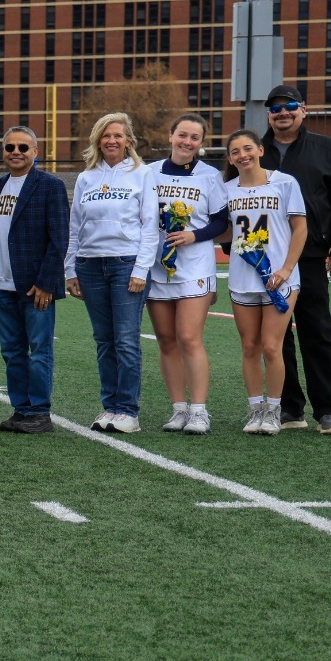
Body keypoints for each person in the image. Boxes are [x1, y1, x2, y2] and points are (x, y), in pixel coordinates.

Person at [260, 84, 331, 435]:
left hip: (310, 256)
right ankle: (290, 408)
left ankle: (328, 410)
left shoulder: (327, 148)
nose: (282, 113)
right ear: (268, 115)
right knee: (276, 337)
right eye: (275, 108)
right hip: (266, 261)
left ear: (303, 110)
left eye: (290, 106)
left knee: (317, 333)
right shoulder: (254, 151)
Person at [63, 112, 156, 434]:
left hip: (126, 264)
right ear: (98, 140)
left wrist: (141, 268)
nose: (112, 140)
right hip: (90, 265)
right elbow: (75, 227)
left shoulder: (142, 174)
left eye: (117, 135)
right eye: (106, 135)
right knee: (104, 341)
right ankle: (110, 407)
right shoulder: (87, 177)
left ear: (128, 140)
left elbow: (150, 226)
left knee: (126, 341)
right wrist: (70, 268)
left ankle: (128, 410)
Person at [144, 114, 231, 435]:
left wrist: (194, 235)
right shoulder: (149, 172)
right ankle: (179, 409)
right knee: (166, 340)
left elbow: (221, 222)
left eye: (195, 137)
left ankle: (199, 411)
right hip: (157, 267)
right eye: (182, 134)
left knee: (189, 338)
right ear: (170, 136)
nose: (187, 142)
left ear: (201, 143)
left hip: (195, 266)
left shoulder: (210, 176)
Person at [224, 128, 309, 436]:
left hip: (278, 278)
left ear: (260, 150)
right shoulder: (226, 189)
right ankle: (255, 409)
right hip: (242, 277)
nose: (242, 155)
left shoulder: (285, 183)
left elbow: (300, 229)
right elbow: (224, 230)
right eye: (235, 152)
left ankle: (273, 410)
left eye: (248, 148)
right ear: (230, 159)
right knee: (249, 346)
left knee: (272, 347)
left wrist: (286, 268)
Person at [0, 126, 70, 434]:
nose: (16, 152)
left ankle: (39, 412)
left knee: (39, 350)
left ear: (35, 152)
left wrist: (47, 282)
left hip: (35, 285)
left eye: (23, 147)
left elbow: (59, 238)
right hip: (2, 285)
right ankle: (21, 409)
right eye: (10, 147)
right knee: (12, 352)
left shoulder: (49, 185)